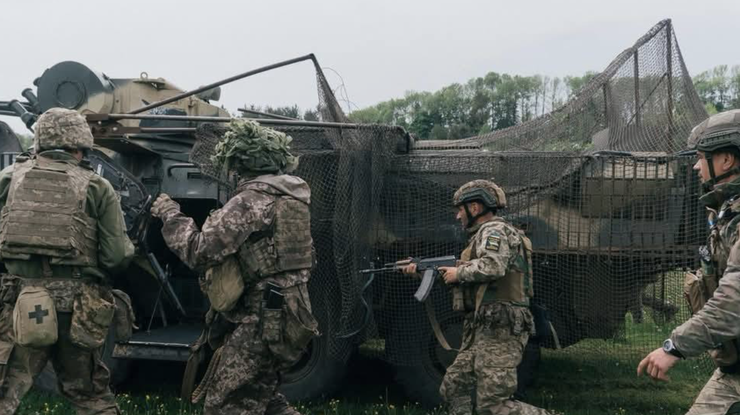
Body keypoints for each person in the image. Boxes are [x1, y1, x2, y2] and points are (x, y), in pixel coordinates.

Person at [150, 119, 318, 415]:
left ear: (240, 163)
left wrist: (170, 214)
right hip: (292, 314)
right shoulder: (292, 199)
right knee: (263, 398)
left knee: (225, 405)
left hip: (263, 320)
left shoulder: (249, 202)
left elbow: (199, 251)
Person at [0, 108, 134, 414]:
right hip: (77, 310)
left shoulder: (7, 179)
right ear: (80, 145)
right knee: (90, 395)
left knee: (4, 390)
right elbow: (115, 257)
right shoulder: (97, 186)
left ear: (39, 141)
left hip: (18, 303)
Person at [403, 179, 554, 415]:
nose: (457, 216)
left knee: (493, 405)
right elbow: (474, 280)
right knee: (453, 388)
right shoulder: (482, 236)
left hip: (501, 326)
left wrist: (458, 272)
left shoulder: (494, 231)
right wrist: (426, 272)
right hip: (482, 326)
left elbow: (493, 266)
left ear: (474, 208)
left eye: (460, 210)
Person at [637, 109, 740, 415]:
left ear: (726, 160)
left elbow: (733, 301)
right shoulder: (725, 213)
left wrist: (675, 347)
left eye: (700, 157)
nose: (696, 166)